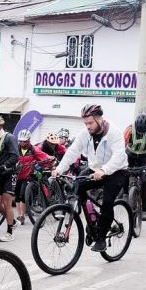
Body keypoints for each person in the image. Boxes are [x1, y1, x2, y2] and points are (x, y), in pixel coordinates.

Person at [52, 104, 127, 252]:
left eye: (90, 123)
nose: (87, 126)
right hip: (95, 168)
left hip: (116, 170)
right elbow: (73, 151)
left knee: (107, 201)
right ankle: (93, 217)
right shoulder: (84, 134)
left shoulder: (114, 132)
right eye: (85, 123)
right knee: (77, 185)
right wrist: (60, 168)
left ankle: (101, 238)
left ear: (99, 119)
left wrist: (105, 170)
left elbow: (119, 156)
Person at [123, 113, 146, 221]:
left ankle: (144, 210)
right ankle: (125, 193)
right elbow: (122, 144)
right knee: (124, 172)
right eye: (139, 132)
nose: (141, 133)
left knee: (144, 182)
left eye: (143, 132)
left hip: (144, 156)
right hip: (130, 154)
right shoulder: (129, 130)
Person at [14, 129, 51, 223]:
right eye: (20, 141)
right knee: (17, 196)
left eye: (24, 141)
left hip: (28, 175)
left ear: (28, 140)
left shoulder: (33, 149)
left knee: (22, 195)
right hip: (18, 175)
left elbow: (43, 156)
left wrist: (49, 159)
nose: (22, 143)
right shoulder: (16, 148)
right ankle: (19, 216)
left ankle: (22, 215)